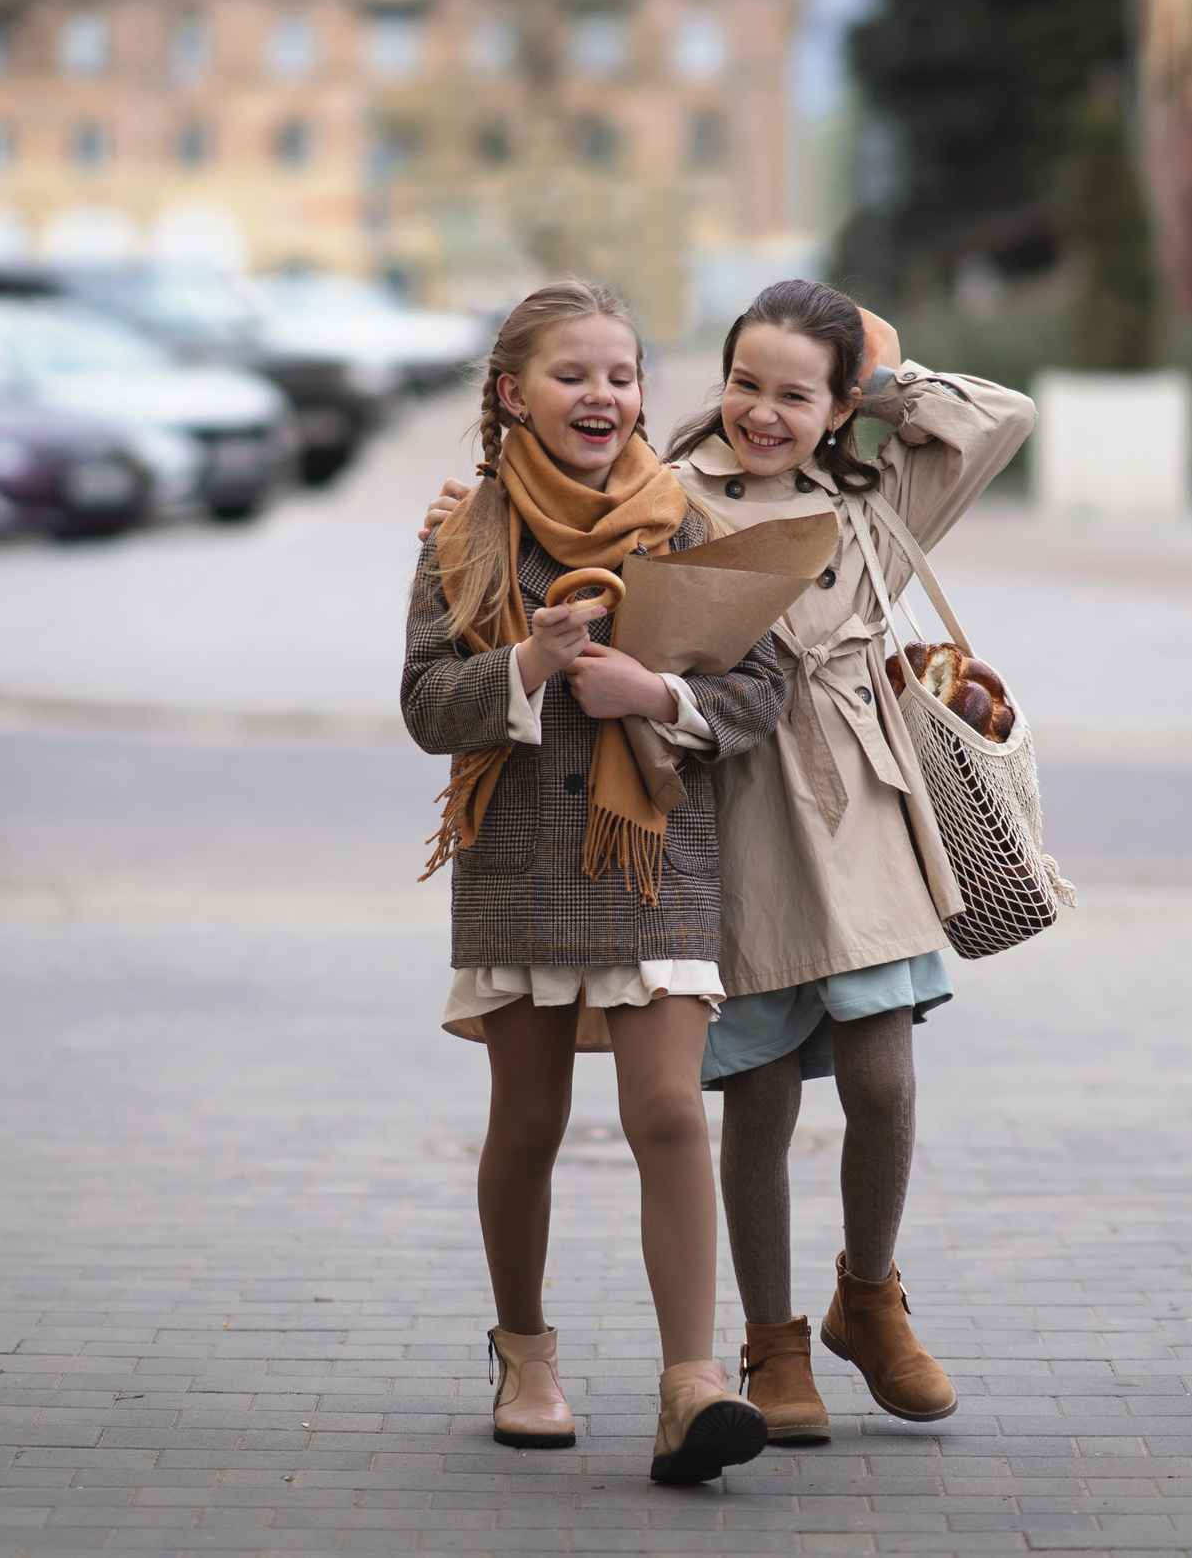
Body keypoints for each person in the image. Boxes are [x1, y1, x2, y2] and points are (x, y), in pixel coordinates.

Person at [422, 278, 1033, 1445]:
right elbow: (566, 506)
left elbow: (998, 418)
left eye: (796, 393)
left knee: (879, 1076)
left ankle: (864, 1296)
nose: (762, 410)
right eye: (742, 383)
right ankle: (762, 1345)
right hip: (717, 814)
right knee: (741, 1093)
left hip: (845, 808)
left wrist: (877, 382)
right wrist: (486, 546)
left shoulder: (867, 495)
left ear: (839, 401)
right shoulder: (677, 496)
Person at [401, 278, 793, 1484]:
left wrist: (656, 696)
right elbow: (424, 706)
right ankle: (524, 1355)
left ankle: (692, 1387)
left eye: (621, 376)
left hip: (653, 860)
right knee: (527, 1121)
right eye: (575, 375)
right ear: (514, 394)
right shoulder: (462, 534)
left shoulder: (685, 523)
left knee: (670, 1111)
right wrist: (523, 663)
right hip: (517, 863)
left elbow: (759, 692)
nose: (604, 396)